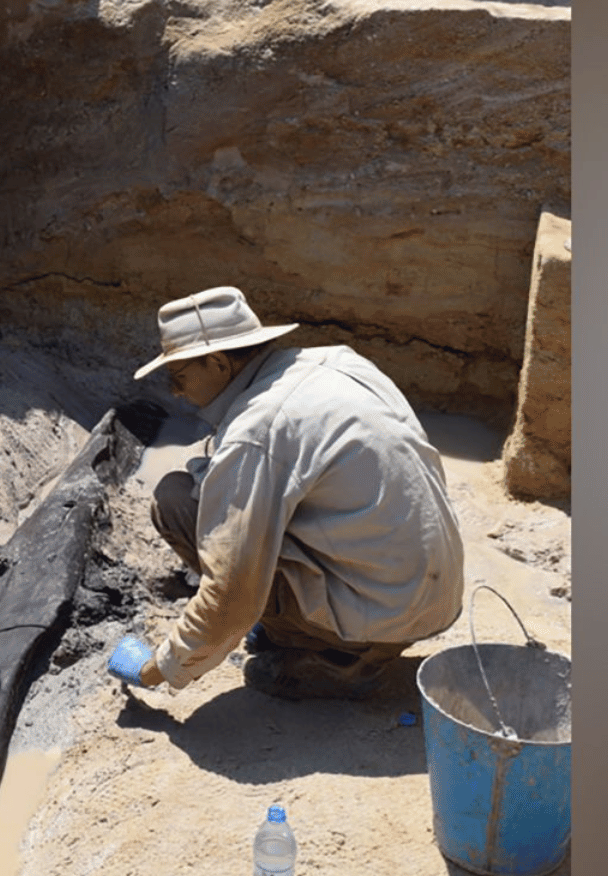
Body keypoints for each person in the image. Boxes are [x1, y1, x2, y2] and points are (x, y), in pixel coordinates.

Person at [107, 286, 465, 700]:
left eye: (179, 376)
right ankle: (322, 632)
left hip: (385, 613)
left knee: (175, 502)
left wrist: (159, 669)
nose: (175, 391)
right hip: (433, 594)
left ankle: (337, 660)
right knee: (215, 501)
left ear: (219, 363)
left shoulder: (258, 430)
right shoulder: (338, 360)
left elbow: (230, 594)